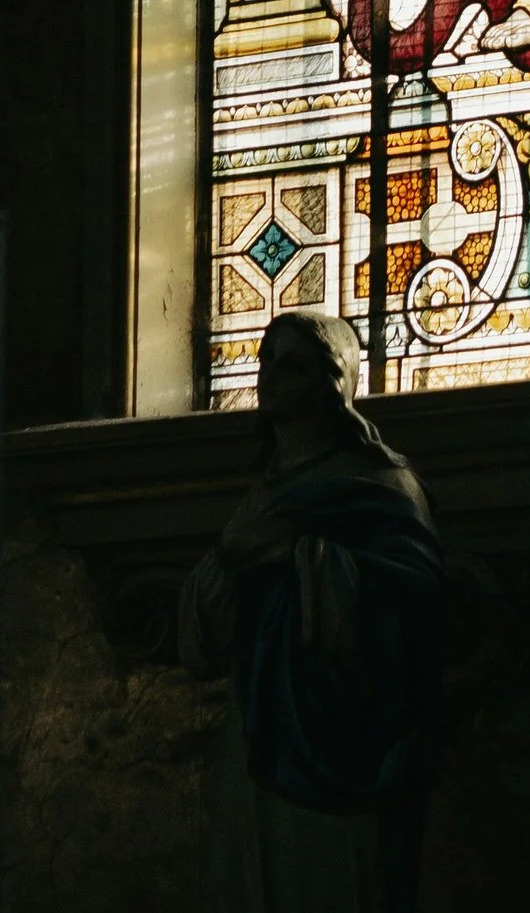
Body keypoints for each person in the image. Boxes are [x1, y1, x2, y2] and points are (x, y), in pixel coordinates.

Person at [179, 313, 444, 913]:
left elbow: (416, 609)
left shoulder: (381, 484)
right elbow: (203, 637)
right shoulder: (263, 492)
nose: (270, 374)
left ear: (336, 379)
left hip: (341, 741)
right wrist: (232, 555)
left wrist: (301, 557)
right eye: (266, 358)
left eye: (292, 363)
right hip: (256, 736)